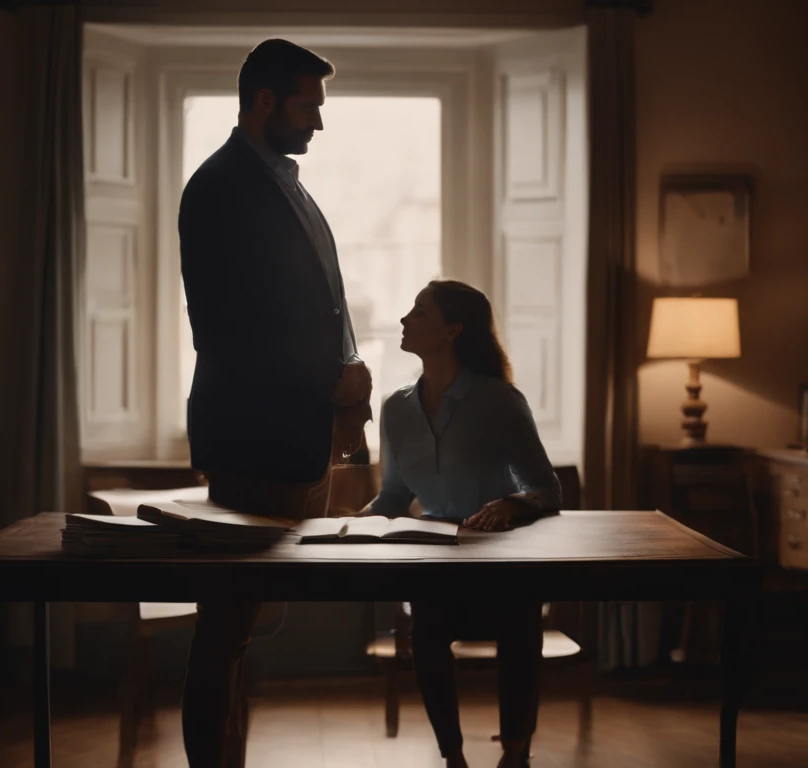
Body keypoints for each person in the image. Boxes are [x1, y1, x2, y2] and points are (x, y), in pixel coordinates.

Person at [177, 38, 372, 768]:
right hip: (255, 436)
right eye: (307, 104)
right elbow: (230, 328)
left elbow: (317, 304)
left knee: (245, 627)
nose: (317, 122)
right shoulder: (221, 188)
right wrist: (331, 381)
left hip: (297, 432)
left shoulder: (285, 183)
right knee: (225, 627)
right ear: (264, 101)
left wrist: (348, 375)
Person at [363, 280, 562, 768]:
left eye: (419, 312)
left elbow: (547, 489)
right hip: (435, 561)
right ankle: (452, 758)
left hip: (500, 559)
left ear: (452, 330)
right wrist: (346, 528)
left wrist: (511, 505)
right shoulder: (395, 409)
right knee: (427, 630)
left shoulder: (499, 401)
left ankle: (515, 753)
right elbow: (393, 497)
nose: (405, 320)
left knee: (520, 623)